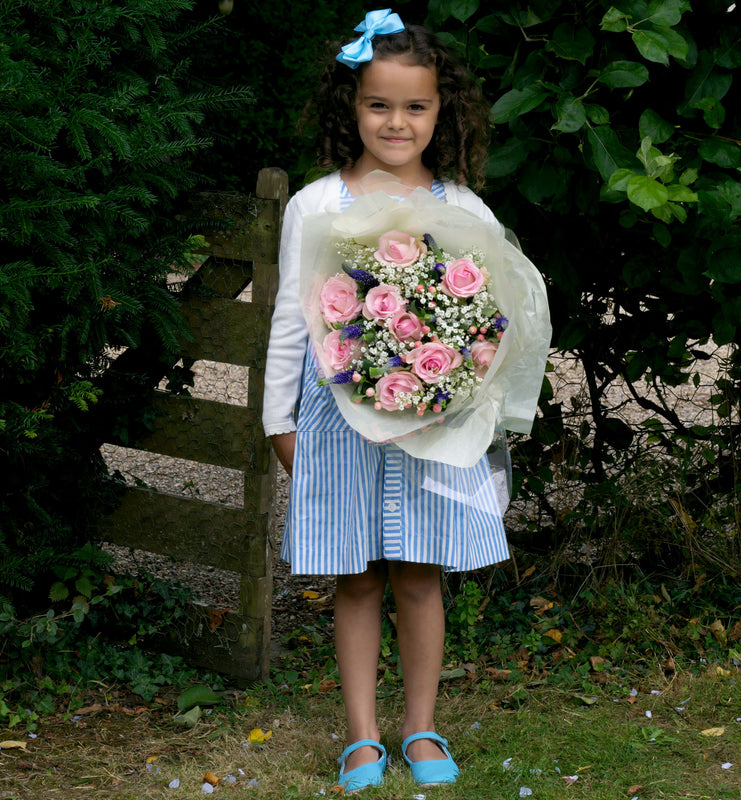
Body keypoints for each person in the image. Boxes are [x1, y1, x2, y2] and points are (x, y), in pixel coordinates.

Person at [263, 9, 511, 793]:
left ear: (442, 112)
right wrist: (278, 420)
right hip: (337, 428)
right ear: (352, 106)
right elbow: (288, 322)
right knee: (356, 579)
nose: (396, 122)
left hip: (430, 430)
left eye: (415, 106)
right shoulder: (314, 205)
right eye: (378, 104)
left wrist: (471, 403)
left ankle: (421, 727)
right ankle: (362, 736)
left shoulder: (464, 208)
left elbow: (494, 328)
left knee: (419, 576)